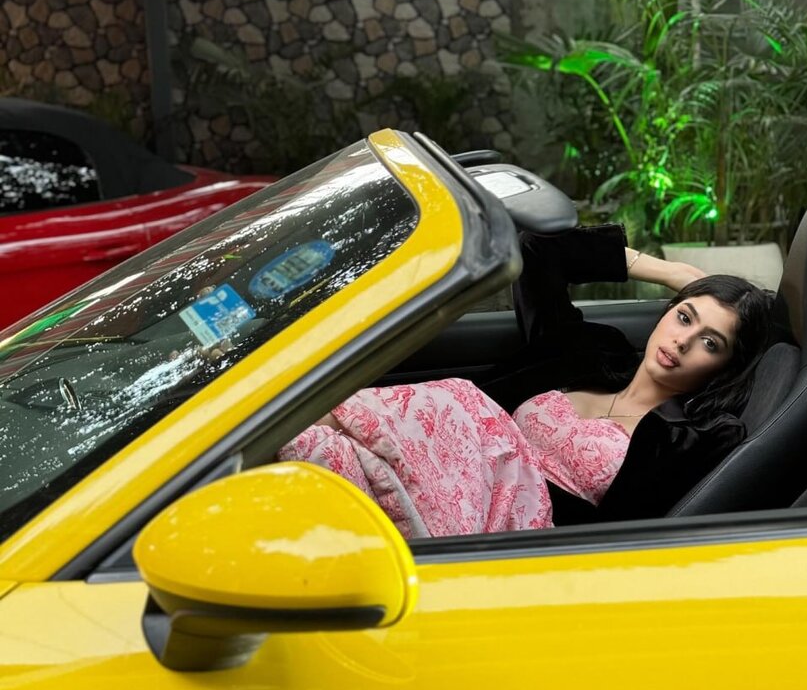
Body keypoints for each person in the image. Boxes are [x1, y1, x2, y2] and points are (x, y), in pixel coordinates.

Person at [279, 224, 773, 537]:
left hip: (520, 535)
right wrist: (672, 272)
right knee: (321, 452)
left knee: (456, 399)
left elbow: (624, 535)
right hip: (439, 475)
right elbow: (538, 251)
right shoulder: (588, 352)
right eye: (684, 316)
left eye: (711, 343)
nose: (683, 341)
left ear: (724, 367)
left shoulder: (685, 436)